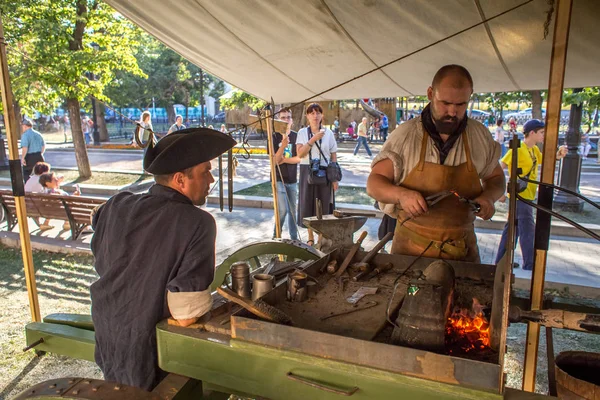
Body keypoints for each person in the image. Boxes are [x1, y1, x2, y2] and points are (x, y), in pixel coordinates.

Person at [90, 128, 236, 391]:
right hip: (152, 353)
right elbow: (186, 316)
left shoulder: (115, 204)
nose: (212, 179)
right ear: (180, 179)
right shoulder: (198, 222)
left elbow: (103, 252)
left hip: (108, 336)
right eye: (206, 171)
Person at [367, 64, 505, 262]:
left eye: (460, 105)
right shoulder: (405, 136)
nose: (452, 111)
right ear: (431, 94)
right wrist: (401, 195)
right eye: (445, 103)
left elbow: (496, 178)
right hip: (410, 255)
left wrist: (489, 197)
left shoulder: (479, 136)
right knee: (410, 293)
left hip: (462, 254)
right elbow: (374, 183)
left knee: (465, 294)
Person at [495, 119, 567, 270]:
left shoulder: (534, 150)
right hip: (519, 196)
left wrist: (558, 155)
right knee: (527, 227)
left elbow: (546, 161)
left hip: (527, 194)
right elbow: (499, 168)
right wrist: (499, 190)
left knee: (513, 228)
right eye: (541, 132)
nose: (543, 135)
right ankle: (529, 263)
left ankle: (501, 260)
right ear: (532, 133)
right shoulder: (518, 149)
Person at [296, 103, 339, 246]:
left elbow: (333, 156)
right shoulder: (302, 133)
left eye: (318, 113)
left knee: (323, 204)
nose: (315, 116)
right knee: (307, 203)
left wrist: (334, 178)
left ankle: (321, 236)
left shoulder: (329, 133)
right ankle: (310, 237)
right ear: (307, 116)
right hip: (307, 169)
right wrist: (313, 139)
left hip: (324, 171)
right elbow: (300, 154)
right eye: (312, 113)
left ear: (322, 115)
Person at [271, 108, 300, 240]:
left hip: (292, 180)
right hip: (278, 179)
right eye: (283, 117)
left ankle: (294, 239)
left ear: (292, 120)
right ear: (278, 120)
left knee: (293, 212)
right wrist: (282, 146)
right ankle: (276, 237)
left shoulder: (296, 136)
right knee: (282, 210)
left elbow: (299, 158)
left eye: (288, 117)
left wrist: (284, 160)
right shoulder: (273, 136)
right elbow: (275, 161)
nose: (286, 120)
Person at [25, 162, 52, 231]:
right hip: (36, 206)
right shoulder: (41, 180)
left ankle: (41, 222)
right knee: (55, 203)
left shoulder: (31, 179)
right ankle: (46, 223)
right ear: (44, 172)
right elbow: (45, 194)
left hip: (27, 205)